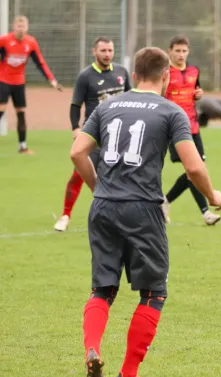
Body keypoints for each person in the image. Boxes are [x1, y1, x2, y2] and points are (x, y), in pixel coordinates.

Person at [70, 46, 221, 377]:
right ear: (167, 75)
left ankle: (92, 348)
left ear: (134, 75)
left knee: (102, 288)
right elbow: (193, 165)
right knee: (154, 292)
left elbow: (77, 151)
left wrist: (100, 188)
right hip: (142, 210)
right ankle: (127, 376)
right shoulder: (171, 110)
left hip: (105, 206)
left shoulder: (107, 107)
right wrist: (214, 197)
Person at [54, 37, 131, 232]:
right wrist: (75, 128)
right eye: (103, 50)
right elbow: (75, 106)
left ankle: (122, 216)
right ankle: (65, 215)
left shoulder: (122, 72)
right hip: (95, 135)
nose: (107, 54)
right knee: (79, 174)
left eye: (110, 50)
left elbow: (132, 97)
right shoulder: (86, 76)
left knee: (124, 175)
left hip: (120, 135)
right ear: (94, 52)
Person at [161, 36, 220, 225]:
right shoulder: (165, 73)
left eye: (184, 51)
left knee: (196, 170)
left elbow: (196, 90)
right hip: (174, 129)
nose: (180, 54)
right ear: (169, 51)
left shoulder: (194, 71)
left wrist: (198, 94)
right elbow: (160, 97)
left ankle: (166, 202)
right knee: (192, 170)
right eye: (177, 50)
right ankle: (205, 213)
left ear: (188, 51)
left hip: (193, 128)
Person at [0, 15, 62, 154]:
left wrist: (51, 79)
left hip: (19, 82)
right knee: (1, 110)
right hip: (3, 80)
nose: (21, 29)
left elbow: (40, 62)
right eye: (18, 26)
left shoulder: (31, 43)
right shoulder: (4, 40)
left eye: (23, 27)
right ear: (13, 27)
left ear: (27, 28)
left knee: (21, 113)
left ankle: (22, 146)